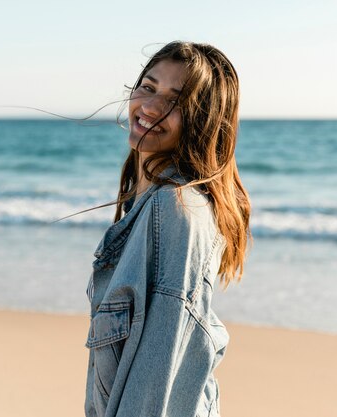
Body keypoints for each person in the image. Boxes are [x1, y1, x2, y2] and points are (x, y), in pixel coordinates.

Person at [84, 41, 251, 417]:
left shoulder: (175, 213)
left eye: (176, 101)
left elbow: (153, 391)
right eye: (148, 86)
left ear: (204, 120)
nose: (151, 107)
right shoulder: (151, 207)